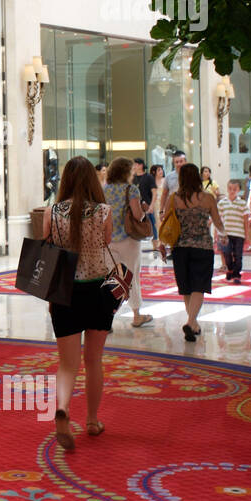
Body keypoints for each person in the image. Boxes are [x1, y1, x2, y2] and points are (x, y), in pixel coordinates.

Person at [43, 156, 113, 452]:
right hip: (98, 290)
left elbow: (46, 246)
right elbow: (106, 242)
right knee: (94, 360)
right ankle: (93, 420)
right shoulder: (103, 211)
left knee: (67, 363)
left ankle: (62, 407)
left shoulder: (53, 211)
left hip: (64, 291)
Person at [161, 163, 225, 342]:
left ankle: (193, 323)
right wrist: (224, 235)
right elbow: (217, 221)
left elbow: (166, 223)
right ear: (197, 177)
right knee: (199, 286)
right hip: (203, 246)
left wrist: (162, 244)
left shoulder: (173, 198)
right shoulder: (207, 198)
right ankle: (191, 322)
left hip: (180, 247)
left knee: (186, 287)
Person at [103, 157, 152, 327]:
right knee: (131, 277)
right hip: (128, 239)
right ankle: (137, 315)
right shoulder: (131, 190)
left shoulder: (104, 189)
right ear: (126, 172)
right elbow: (137, 215)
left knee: (111, 279)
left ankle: (107, 319)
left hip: (108, 239)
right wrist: (144, 212)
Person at [157, 150, 188, 262]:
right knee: (173, 231)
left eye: (181, 161)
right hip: (173, 210)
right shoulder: (169, 177)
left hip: (188, 210)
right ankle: (175, 252)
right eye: (177, 162)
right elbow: (164, 195)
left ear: (185, 161)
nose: (179, 164)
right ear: (173, 163)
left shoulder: (192, 176)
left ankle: (185, 253)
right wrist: (161, 211)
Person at [217, 179, 249, 285]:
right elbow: (219, 220)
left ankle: (236, 274)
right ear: (227, 189)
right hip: (225, 234)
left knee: (238, 255)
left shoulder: (242, 203)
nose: (232, 191)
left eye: (235, 189)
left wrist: (247, 234)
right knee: (226, 253)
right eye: (230, 189)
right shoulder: (222, 203)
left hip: (239, 234)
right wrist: (217, 233)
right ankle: (230, 269)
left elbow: (245, 220)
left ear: (239, 190)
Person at [137, 163, 160, 254]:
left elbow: (154, 192)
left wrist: (151, 205)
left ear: (141, 165)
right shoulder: (132, 177)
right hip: (136, 205)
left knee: (152, 224)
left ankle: (155, 245)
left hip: (147, 204)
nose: (134, 166)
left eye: (136, 164)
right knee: (137, 225)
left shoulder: (148, 177)